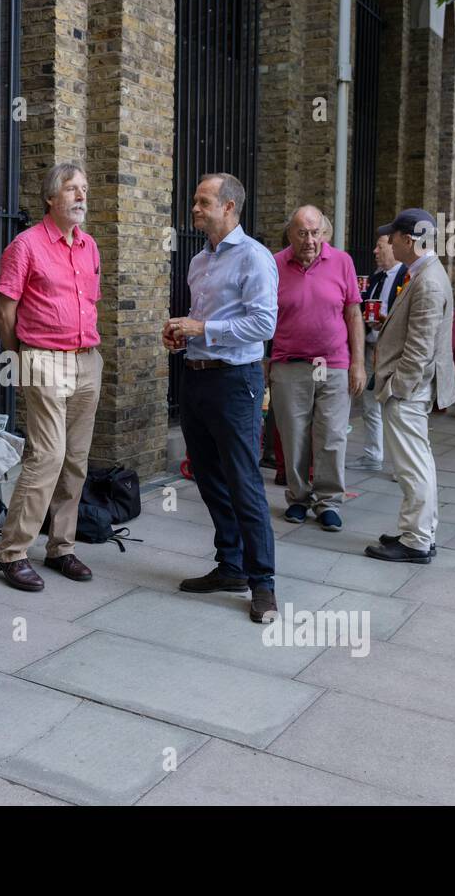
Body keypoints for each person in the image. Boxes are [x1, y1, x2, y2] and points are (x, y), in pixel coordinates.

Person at [163, 173, 279, 623]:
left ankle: (263, 583)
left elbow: (263, 326)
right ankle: (230, 565)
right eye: (195, 201)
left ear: (229, 207)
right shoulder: (199, 260)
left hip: (237, 382)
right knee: (208, 478)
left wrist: (202, 330)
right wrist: (183, 335)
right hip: (197, 377)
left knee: (244, 480)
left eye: (203, 201)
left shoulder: (255, 257)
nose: (195, 208)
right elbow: (203, 320)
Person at [0, 162, 103, 592]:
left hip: (87, 358)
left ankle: (61, 546)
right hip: (43, 357)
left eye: (85, 189)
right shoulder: (26, 245)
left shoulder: (90, 246)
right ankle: (11, 551)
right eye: (72, 189)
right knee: (48, 455)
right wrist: (19, 357)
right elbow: (5, 311)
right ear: (51, 199)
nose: (81, 196)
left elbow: (89, 302)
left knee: (76, 458)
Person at [364, 208, 455, 564]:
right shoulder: (424, 273)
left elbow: (419, 347)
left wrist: (397, 389)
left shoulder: (428, 280)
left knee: (411, 466)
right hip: (411, 388)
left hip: (408, 390)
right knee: (418, 463)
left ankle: (416, 540)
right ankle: (418, 531)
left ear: (407, 240)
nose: (386, 243)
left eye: (392, 237)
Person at [267, 205, 365, 530]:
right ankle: (298, 497)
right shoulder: (275, 264)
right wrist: (266, 364)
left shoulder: (342, 262)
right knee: (293, 435)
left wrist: (359, 364)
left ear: (324, 231)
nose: (310, 240)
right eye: (302, 233)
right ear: (290, 234)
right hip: (289, 363)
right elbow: (263, 316)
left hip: (334, 363)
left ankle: (329, 502)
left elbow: (353, 314)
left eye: (316, 232)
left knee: (332, 435)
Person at [349, 234, 407, 471]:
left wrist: (386, 323)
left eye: (379, 247)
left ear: (392, 249)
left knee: (397, 407)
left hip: (395, 352)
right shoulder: (374, 278)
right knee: (370, 403)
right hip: (371, 348)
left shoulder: (408, 276)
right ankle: (373, 455)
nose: (374, 251)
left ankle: (401, 465)